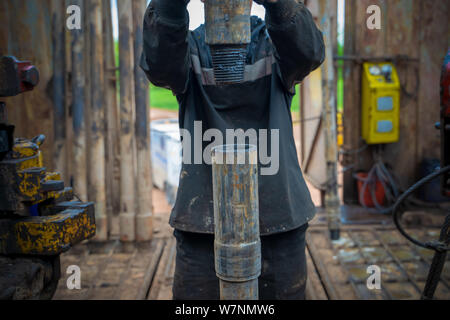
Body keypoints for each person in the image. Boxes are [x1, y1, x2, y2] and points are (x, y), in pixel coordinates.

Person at [140, 0, 325, 300]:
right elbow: (158, 64)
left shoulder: (272, 42)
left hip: (276, 219)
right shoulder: (190, 48)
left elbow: (308, 53)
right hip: (203, 223)